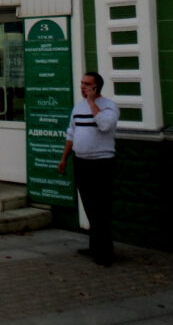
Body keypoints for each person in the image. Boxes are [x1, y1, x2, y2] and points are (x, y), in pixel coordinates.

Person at [59, 71, 119, 266]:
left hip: (101, 163)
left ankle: (105, 252)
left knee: (101, 208)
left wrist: (93, 103)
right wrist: (64, 158)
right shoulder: (77, 108)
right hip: (82, 162)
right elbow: (71, 133)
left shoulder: (109, 107)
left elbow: (105, 126)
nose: (83, 87)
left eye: (87, 84)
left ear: (96, 87)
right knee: (89, 206)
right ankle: (95, 246)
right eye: (82, 83)